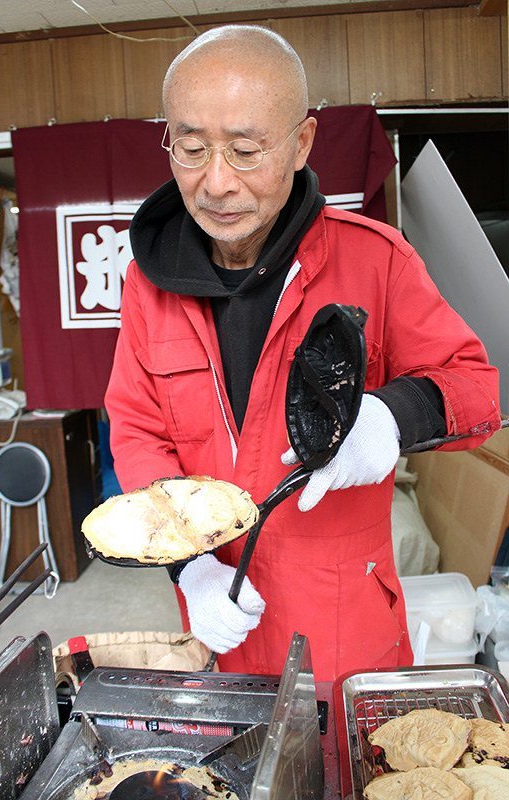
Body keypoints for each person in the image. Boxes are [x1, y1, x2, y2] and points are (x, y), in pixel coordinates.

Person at [105, 25, 500, 682]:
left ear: (301, 143)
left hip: (344, 625)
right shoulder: (150, 284)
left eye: (246, 150)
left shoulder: (376, 260)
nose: (216, 183)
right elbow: (139, 431)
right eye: (193, 148)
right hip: (220, 622)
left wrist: (393, 416)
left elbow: (477, 389)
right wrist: (190, 567)